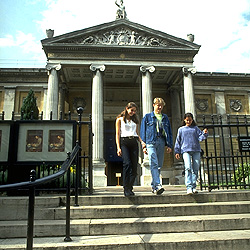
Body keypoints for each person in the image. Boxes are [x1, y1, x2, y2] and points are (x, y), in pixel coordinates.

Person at [140, 98, 173, 195]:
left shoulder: (165, 117)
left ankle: (154, 186)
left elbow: (169, 132)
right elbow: (143, 131)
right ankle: (158, 185)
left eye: (161, 105)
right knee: (153, 163)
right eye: (158, 105)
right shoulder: (147, 117)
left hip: (161, 141)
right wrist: (143, 145)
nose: (159, 107)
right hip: (151, 142)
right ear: (153, 105)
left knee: (159, 165)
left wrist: (169, 145)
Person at [174, 113, 208, 195]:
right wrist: (177, 151)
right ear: (184, 120)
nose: (188, 121)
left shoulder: (195, 128)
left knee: (196, 168)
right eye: (187, 119)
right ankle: (189, 187)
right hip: (186, 150)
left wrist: (205, 133)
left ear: (192, 120)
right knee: (188, 167)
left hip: (196, 150)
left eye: (190, 120)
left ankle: (194, 186)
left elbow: (200, 138)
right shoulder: (181, 129)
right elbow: (178, 141)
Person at [115, 102, 143, 197]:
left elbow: (137, 133)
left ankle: (130, 187)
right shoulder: (119, 120)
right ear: (127, 108)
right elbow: (117, 134)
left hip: (134, 142)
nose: (133, 112)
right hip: (124, 142)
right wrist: (118, 147)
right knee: (127, 164)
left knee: (134, 167)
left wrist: (142, 142)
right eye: (132, 110)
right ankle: (126, 188)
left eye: (134, 111)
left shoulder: (135, 121)